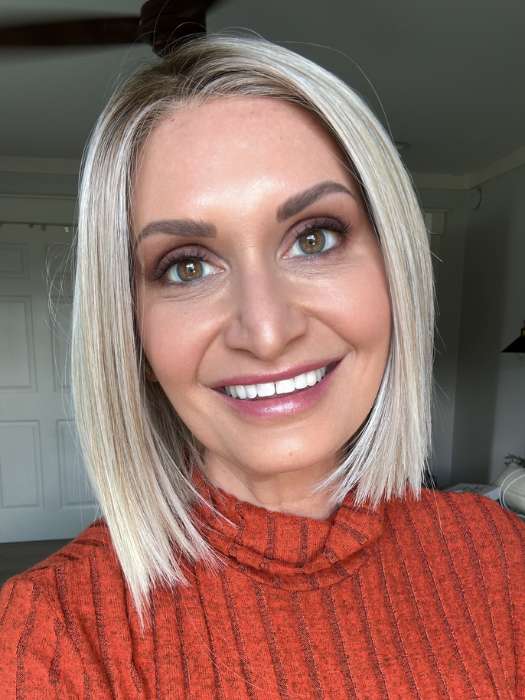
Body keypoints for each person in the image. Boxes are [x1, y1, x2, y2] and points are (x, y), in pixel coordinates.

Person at [1, 32, 523, 699]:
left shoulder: (497, 551)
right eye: (187, 267)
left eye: (314, 238)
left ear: (394, 271)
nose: (268, 332)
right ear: (131, 334)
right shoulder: (53, 634)